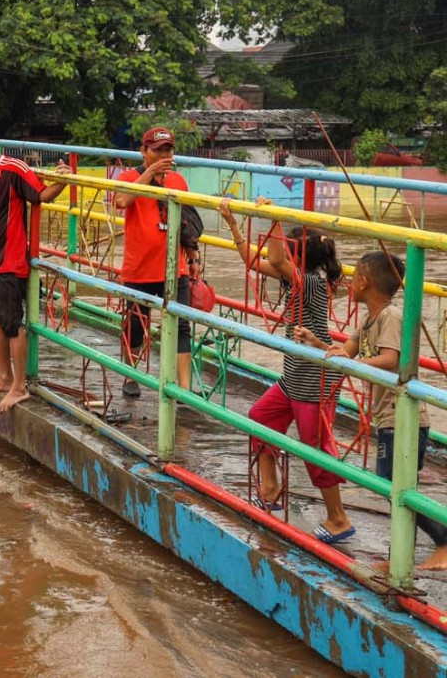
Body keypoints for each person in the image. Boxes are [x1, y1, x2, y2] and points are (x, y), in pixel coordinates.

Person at [297, 253, 447, 565]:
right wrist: (317, 343)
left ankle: (440, 540)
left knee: (395, 486)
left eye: (354, 278)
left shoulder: (390, 316)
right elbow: (344, 354)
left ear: (364, 282)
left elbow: (391, 360)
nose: (350, 283)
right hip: (387, 416)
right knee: (394, 486)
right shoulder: (367, 320)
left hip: (403, 416)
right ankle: (403, 554)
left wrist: (350, 362)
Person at [220, 197, 350, 539]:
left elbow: (275, 257)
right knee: (261, 417)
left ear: (299, 257)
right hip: (295, 375)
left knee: (314, 446)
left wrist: (274, 217)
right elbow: (253, 260)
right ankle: (270, 490)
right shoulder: (296, 280)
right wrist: (233, 223)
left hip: (313, 377)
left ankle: (338, 518)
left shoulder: (312, 284)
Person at [0, 118, 70, 412]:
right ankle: (4, 376)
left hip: (8, 262)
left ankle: (20, 385)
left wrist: (62, 180)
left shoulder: (13, 168)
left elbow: (40, 195)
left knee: (11, 324)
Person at [113, 126, 193, 395]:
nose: (163, 155)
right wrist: (149, 174)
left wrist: (193, 256)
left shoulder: (179, 181)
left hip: (174, 267)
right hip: (139, 269)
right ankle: (130, 375)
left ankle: (184, 388)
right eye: (157, 150)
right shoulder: (129, 177)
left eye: (167, 150)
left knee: (181, 325)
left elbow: (185, 222)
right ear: (143, 152)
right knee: (136, 325)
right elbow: (122, 200)